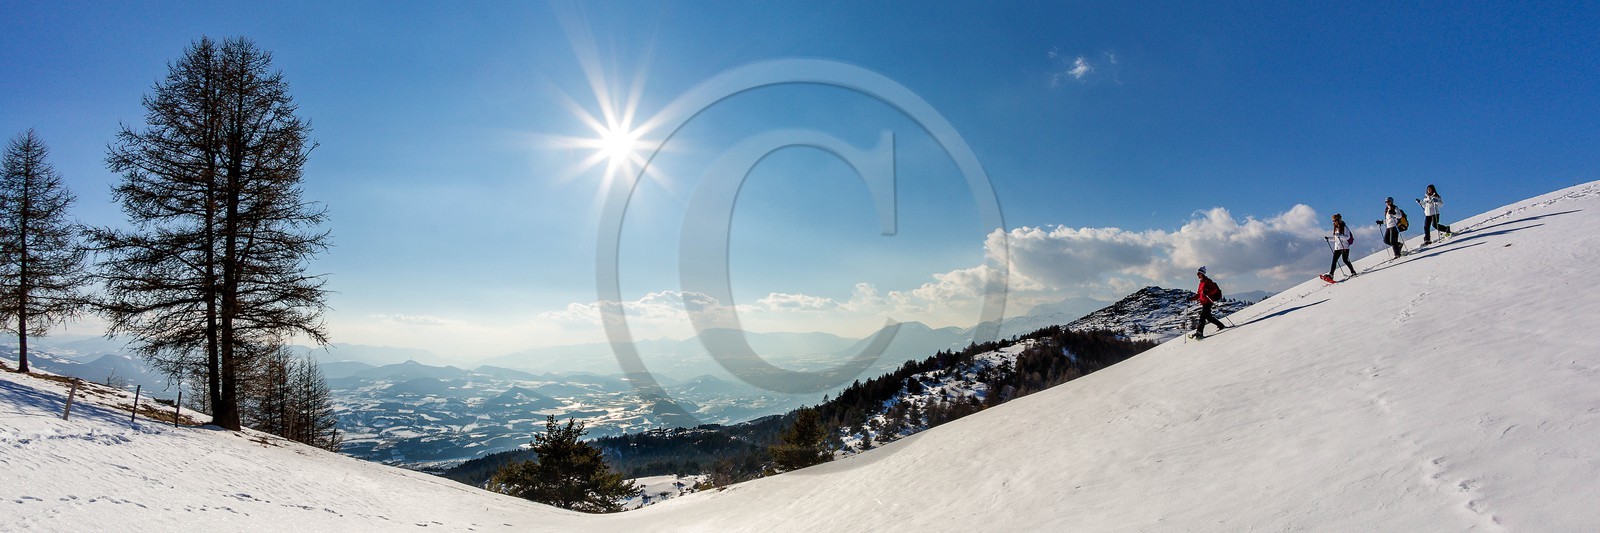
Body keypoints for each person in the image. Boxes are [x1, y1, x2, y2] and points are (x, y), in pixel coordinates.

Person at [1192, 267, 1226, 339]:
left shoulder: (1208, 281)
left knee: (1202, 317)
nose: (1197, 274)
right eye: (1197, 273)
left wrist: (1207, 292)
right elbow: (1199, 294)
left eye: (1199, 273)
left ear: (1203, 274)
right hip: (1204, 301)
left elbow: (1214, 289)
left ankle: (1199, 332)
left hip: (1208, 301)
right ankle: (1221, 325)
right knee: (1209, 317)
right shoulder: (1201, 283)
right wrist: (1191, 298)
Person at [1327, 214, 1356, 279]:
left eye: (1334, 220)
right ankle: (1331, 275)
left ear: (1338, 220)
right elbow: (1335, 238)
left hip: (1344, 247)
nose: (1334, 222)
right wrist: (1328, 239)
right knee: (1334, 261)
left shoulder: (1345, 227)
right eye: (1333, 221)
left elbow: (1348, 237)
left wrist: (1340, 236)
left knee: (1345, 260)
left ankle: (1353, 272)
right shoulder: (1336, 228)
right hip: (1337, 247)